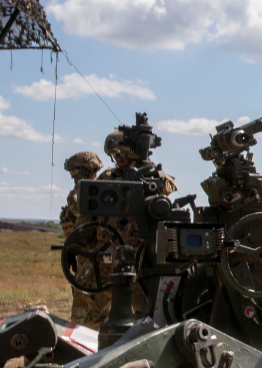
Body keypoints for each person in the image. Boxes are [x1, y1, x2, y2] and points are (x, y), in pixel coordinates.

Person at [98, 127, 178, 314]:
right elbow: (88, 218)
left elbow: (168, 185)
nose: (117, 159)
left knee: (145, 310)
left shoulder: (152, 174)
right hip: (107, 254)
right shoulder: (106, 178)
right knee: (94, 309)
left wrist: (142, 177)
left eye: (120, 153)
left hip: (140, 257)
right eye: (113, 155)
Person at [59, 151, 110, 328]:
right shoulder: (82, 191)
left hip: (97, 260)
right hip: (83, 257)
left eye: (75, 171)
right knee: (80, 306)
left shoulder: (98, 193)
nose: (73, 176)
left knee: (95, 310)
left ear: (87, 169)